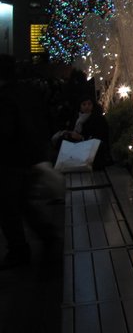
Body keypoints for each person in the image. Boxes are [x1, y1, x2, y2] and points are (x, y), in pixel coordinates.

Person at [0, 55, 60, 270]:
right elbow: (46, 117)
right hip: (32, 155)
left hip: (11, 161)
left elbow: (5, 131)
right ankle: (46, 239)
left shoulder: (5, 97)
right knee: (24, 204)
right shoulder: (29, 92)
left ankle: (20, 250)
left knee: (10, 206)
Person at [54, 97, 112, 170]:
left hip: (92, 146)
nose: (87, 106)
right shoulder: (77, 117)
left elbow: (100, 136)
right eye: (84, 104)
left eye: (89, 104)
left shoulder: (98, 119)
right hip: (78, 143)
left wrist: (82, 138)